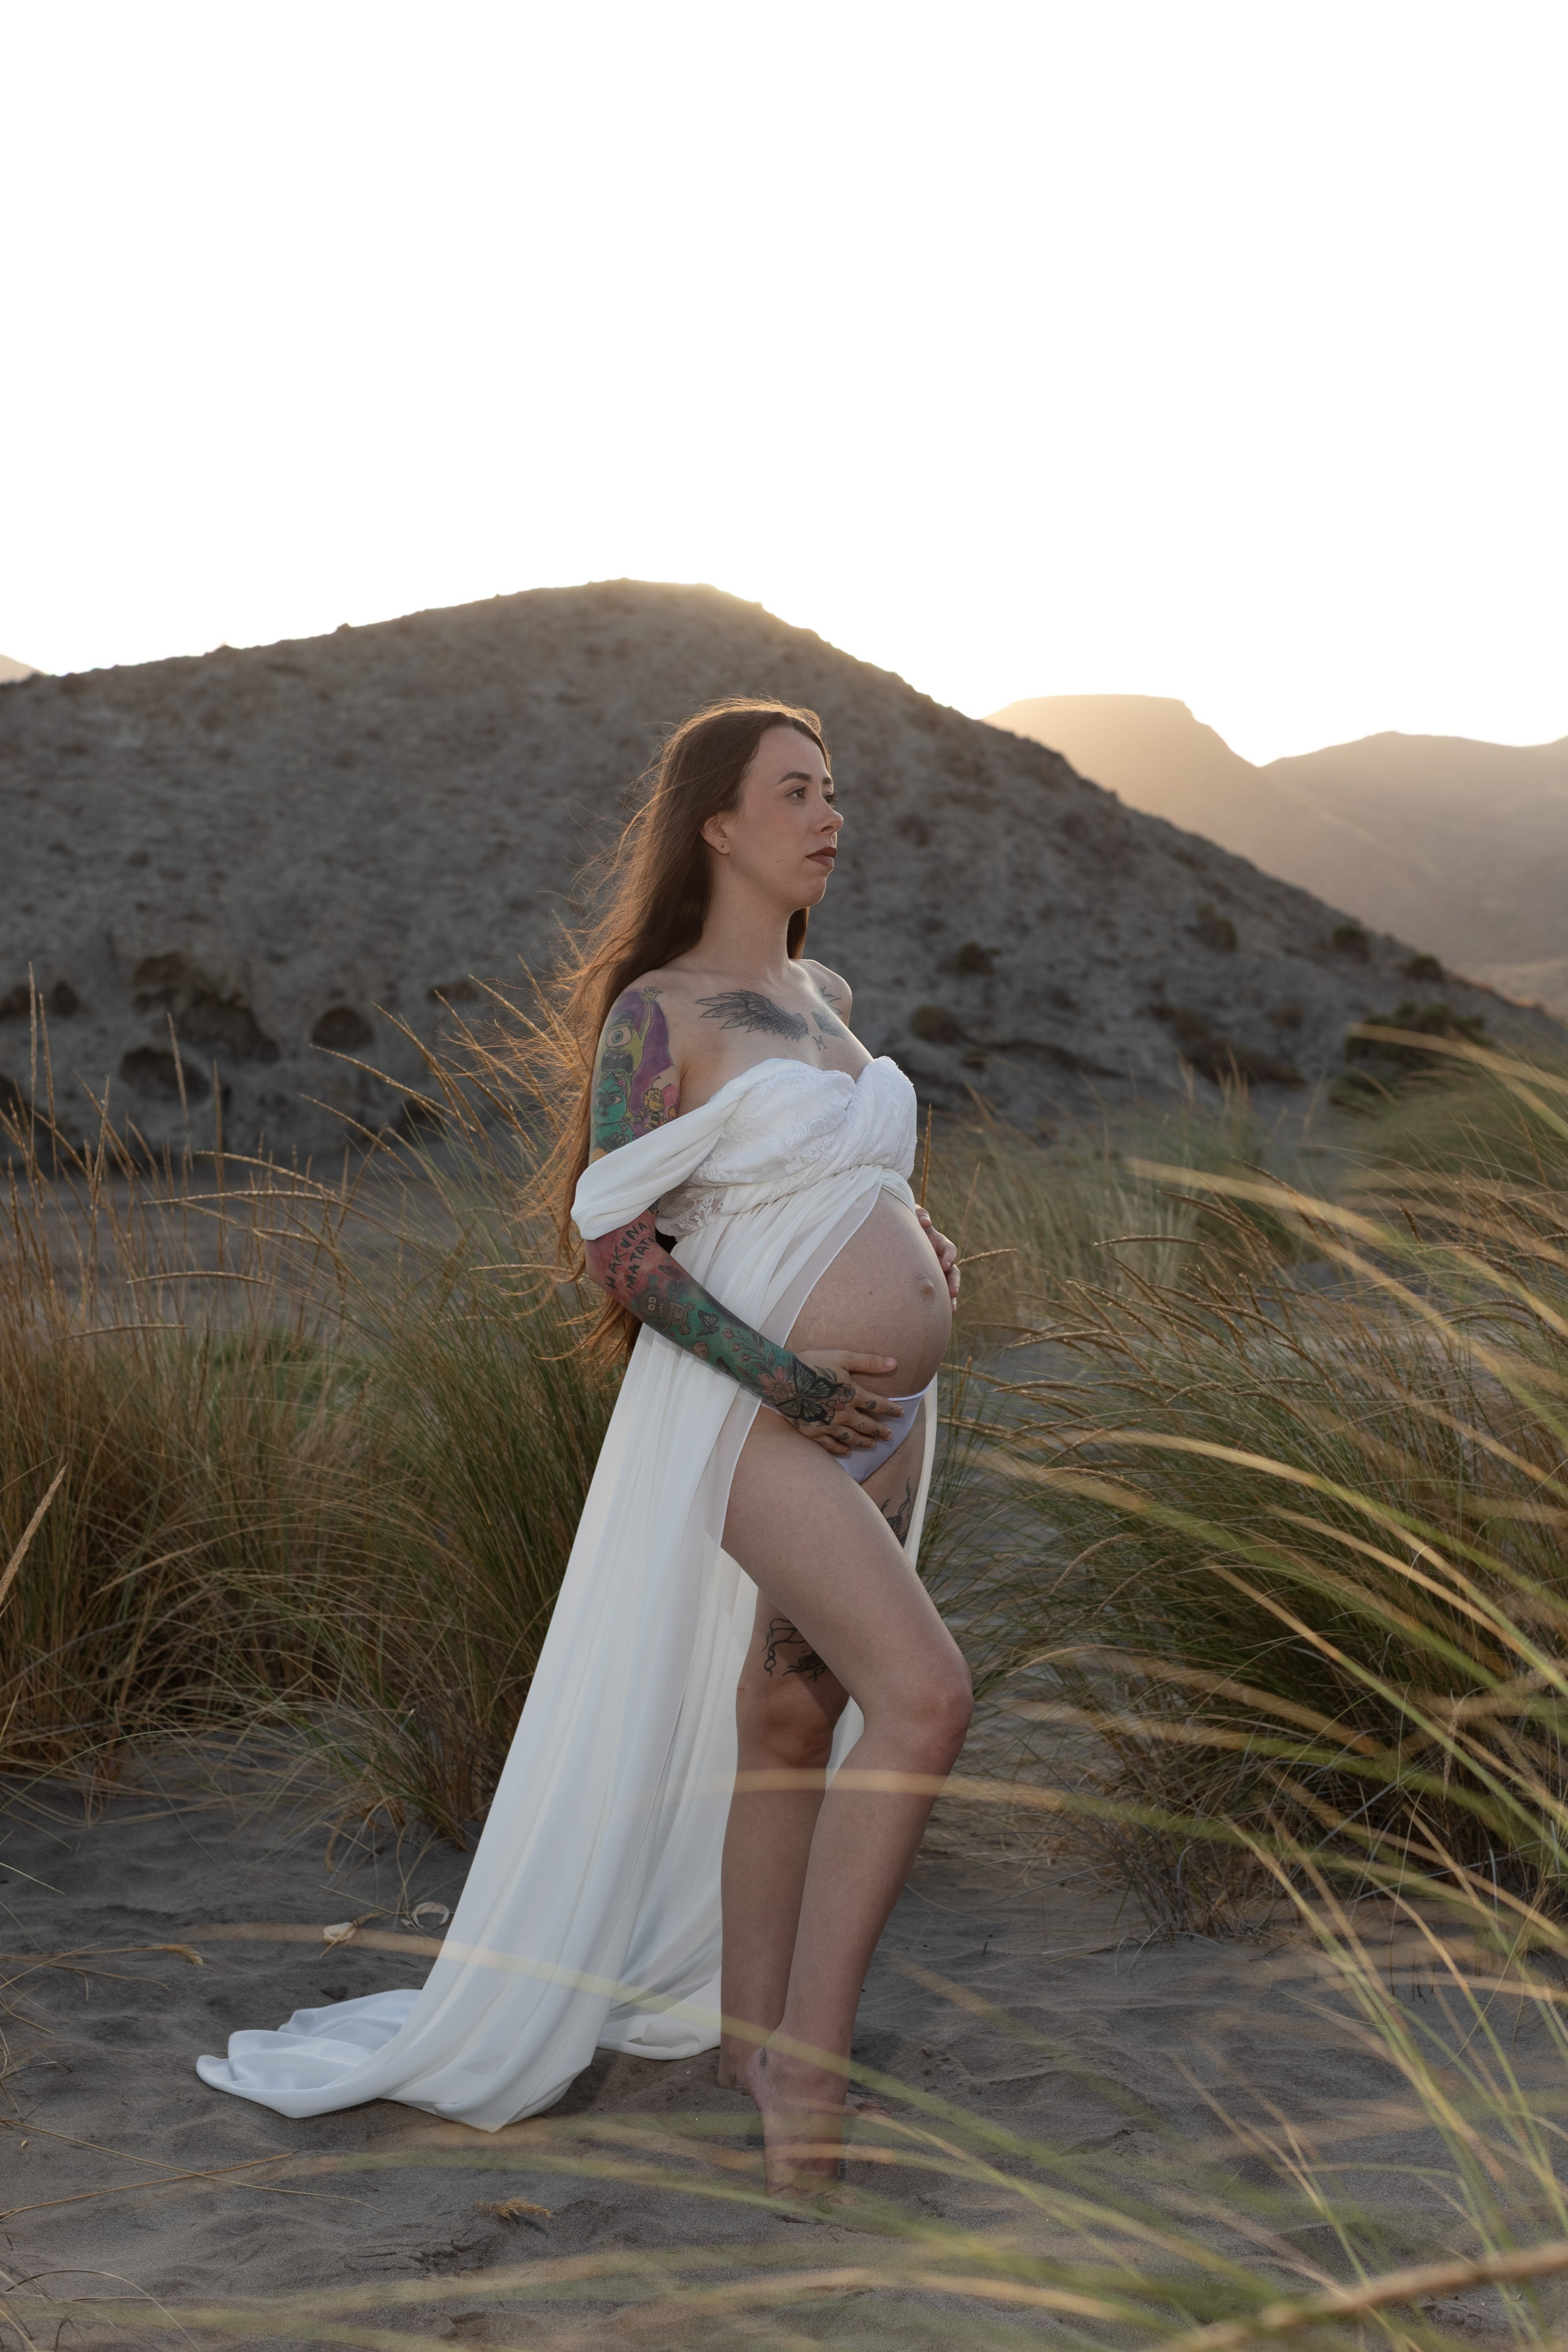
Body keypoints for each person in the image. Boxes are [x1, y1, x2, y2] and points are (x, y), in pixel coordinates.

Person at [196, 698, 970, 2198]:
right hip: (756, 1419)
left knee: (790, 1718)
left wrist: (915, 1230)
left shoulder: (824, 996)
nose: (828, 817)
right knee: (925, 1698)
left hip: (882, 1419)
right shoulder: (659, 1013)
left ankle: (748, 2045)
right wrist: (790, 1383)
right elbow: (613, 1245)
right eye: (796, 792)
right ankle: (807, 2070)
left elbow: (823, 1173)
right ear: (718, 827)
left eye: (834, 793)